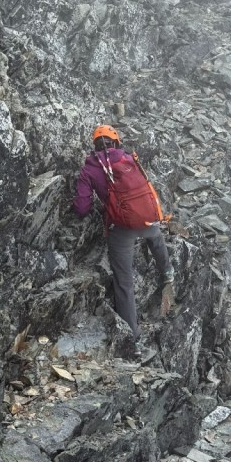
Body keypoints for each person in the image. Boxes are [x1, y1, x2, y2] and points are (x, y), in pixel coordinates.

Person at [73, 124, 174, 348]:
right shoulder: (129, 158)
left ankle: (132, 337)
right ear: (116, 142)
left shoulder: (90, 168)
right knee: (155, 237)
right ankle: (167, 270)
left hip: (122, 230)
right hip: (148, 221)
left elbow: (82, 207)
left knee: (124, 282)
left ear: (95, 145)